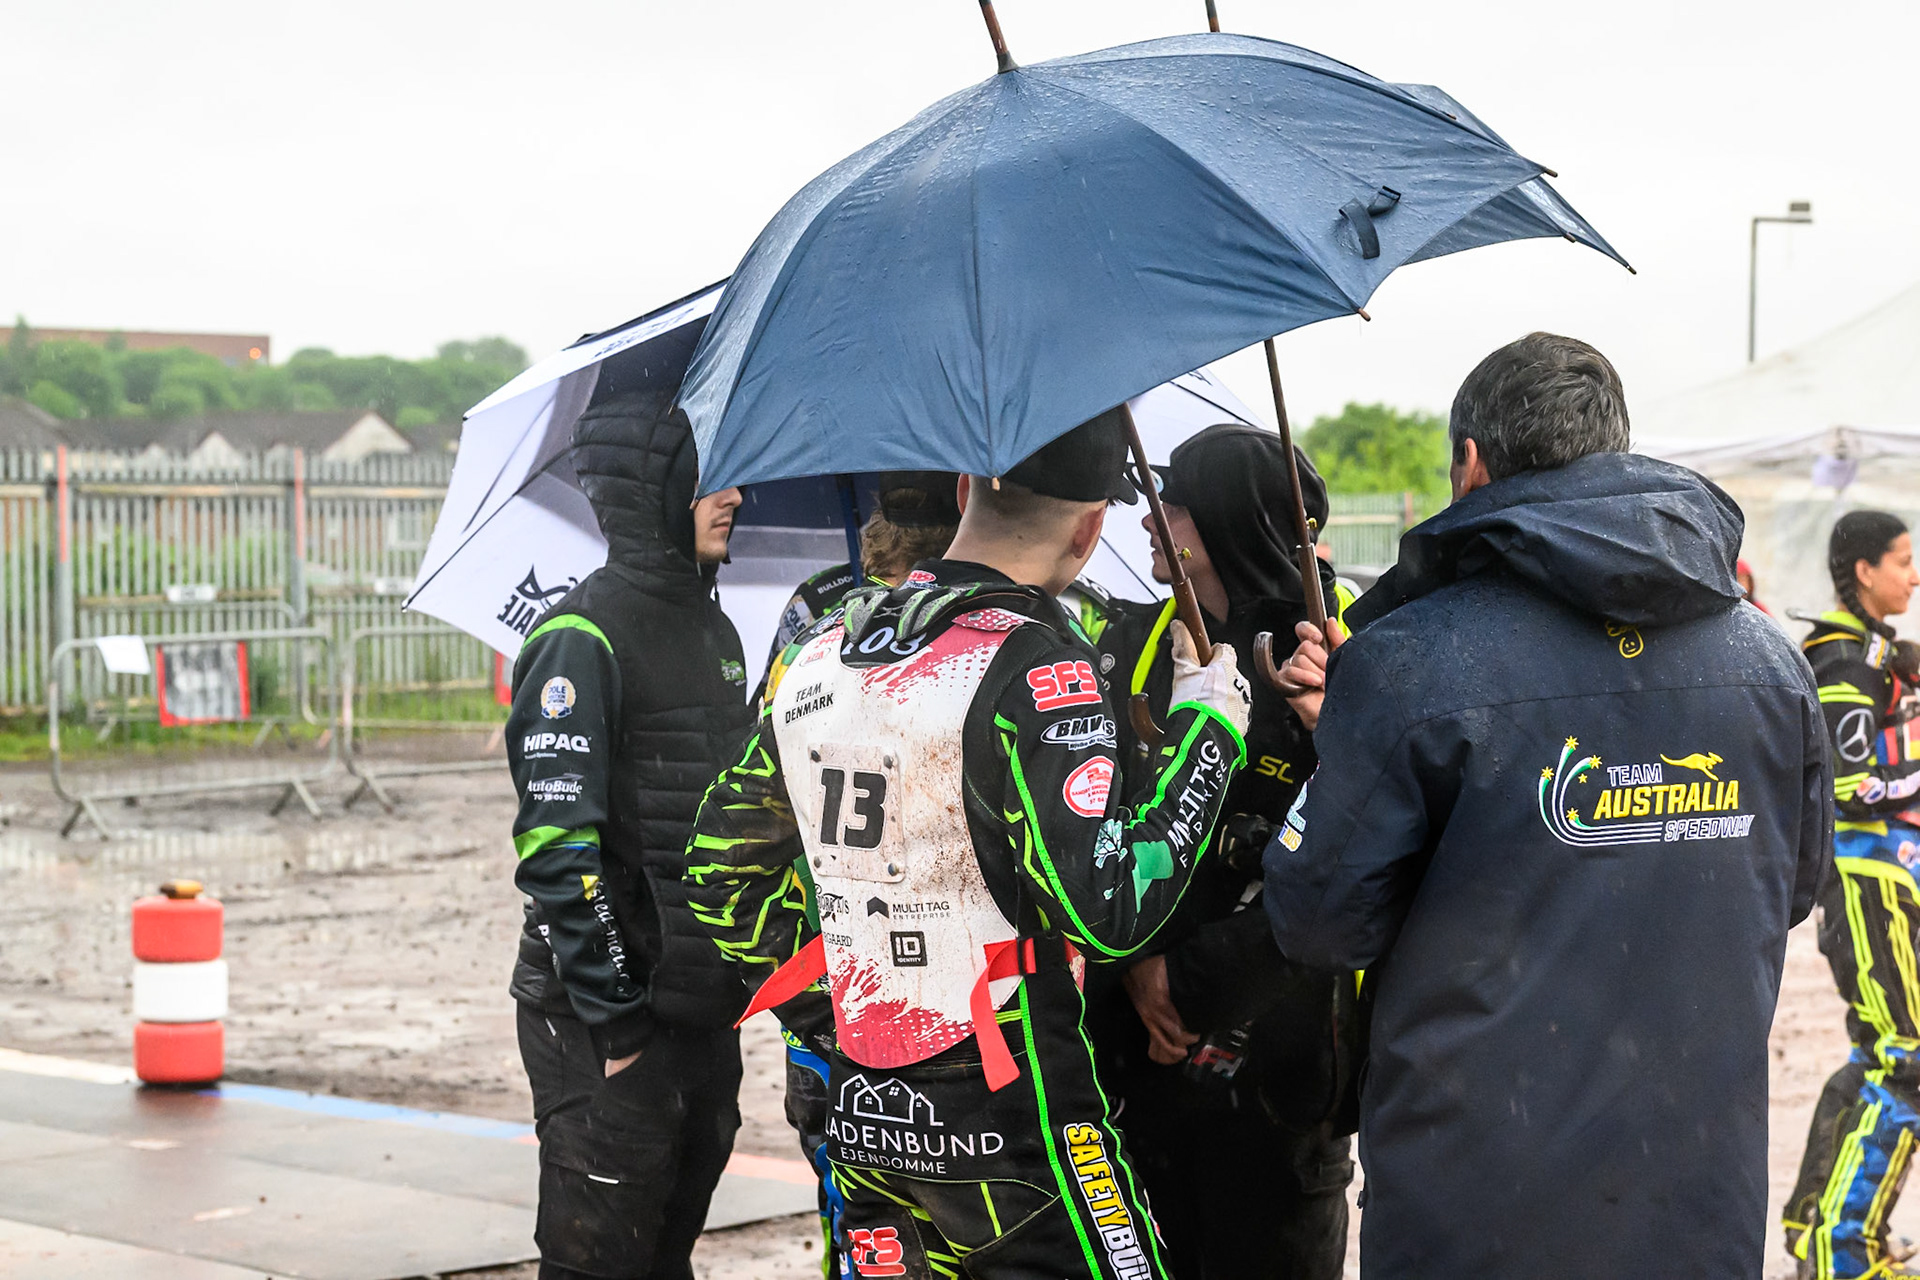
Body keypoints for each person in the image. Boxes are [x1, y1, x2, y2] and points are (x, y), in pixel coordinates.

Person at [1265, 333, 1831, 1278]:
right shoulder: (1770, 663)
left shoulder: (1408, 661)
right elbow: (1793, 885)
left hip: (1476, 1208)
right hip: (1695, 1199)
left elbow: (1319, 920)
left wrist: (1346, 751)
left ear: (1472, 465)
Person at [684, 410, 1252, 1280]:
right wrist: (1209, 731)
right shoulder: (1040, 667)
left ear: (962, 492)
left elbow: (719, 871)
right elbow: (1110, 908)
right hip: (1009, 1121)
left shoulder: (824, 649)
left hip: (864, 1112)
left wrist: (839, 1004)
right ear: (1092, 529)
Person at [1085, 424, 1357, 1280]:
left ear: (1215, 525)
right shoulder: (1126, 645)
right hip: (1136, 1072)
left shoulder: (1344, 656)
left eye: (1170, 504)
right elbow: (1082, 834)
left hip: (1281, 1084)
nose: (1147, 521)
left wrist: (1191, 982)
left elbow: (1358, 867)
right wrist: (1137, 966)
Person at [505, 390, 754, 1280]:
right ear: (651, 487)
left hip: (701, 1014)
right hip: (602, 1023)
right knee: (599, 1261)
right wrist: (617, 1028)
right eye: (707, 478)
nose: (733, 496)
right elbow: (557, 853)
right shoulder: (580, 637)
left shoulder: (716, 627)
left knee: (666, 1255)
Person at [756, 471, 961, 1273]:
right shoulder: (1009, 619)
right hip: (979, 1009)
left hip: (844, 989)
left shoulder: (816, 609)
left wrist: (811, 1011)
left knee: (867, 1239)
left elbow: (757, 807)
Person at [1784, 511, 1920, 1279]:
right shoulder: (1842, 660)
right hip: (1869, 886)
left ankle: (1816, 1231)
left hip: (1882, 882)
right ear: (1864, 571)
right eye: (1904, 561)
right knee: (1906, 1060)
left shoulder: (1871, 650)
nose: (1915, 575)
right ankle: (1846, 1251)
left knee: (1876, 1056)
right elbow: (1855, 788)